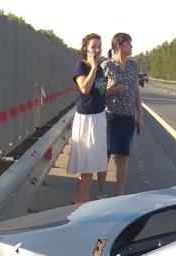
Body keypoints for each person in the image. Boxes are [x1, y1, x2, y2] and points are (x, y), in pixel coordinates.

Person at [68, 33, 108, 203]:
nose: (97, 50)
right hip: (87, 119)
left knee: (92, 162)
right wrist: (93, 67)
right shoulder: (82, 66)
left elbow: (100, 91)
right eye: (93, 47)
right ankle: (80, 199)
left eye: (99, 46)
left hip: (98, 117)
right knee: (89, 163)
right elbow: (84, 88)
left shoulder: (100, 69)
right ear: (86, 48)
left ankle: (81, 197)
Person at [102, 32, 142, 196]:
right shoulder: (106, 66)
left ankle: (119, 195)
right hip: (110, 117)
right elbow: (99, 92)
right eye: (129, 43)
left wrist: (140, 116)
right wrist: (115, 90)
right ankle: (102, 192)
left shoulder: (134, 66)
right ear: (119, 45)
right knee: (105, 155)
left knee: (123, 157)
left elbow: (137, 91)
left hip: (128, 118)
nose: (131, 46)